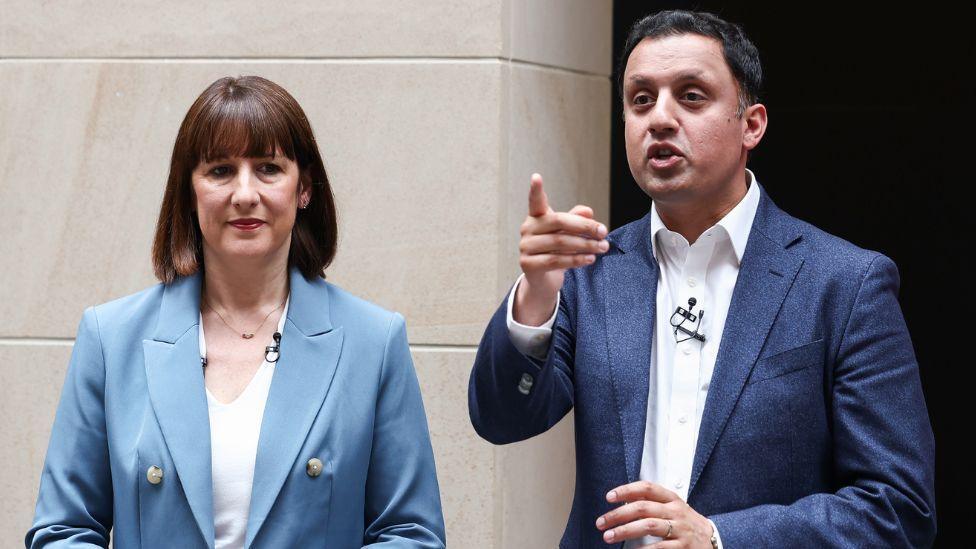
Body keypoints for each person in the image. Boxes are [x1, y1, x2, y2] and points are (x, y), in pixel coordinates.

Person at [468, 10, 935, 548]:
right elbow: (500, 419)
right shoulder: (588, 272)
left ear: (751, 124)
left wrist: (720, 538)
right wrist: (535, 294)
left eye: (691, 96)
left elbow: (899, 508)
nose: (660, 118)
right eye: (641, 100)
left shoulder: (844, 283)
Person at [27, 76, 445, 548]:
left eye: (268, 168)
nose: (245, 193)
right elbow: (62, 531)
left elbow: (410, 534)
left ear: (303, 188)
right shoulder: (111, 337)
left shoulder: (374, 340)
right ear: (189, 191)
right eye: (221, 171)